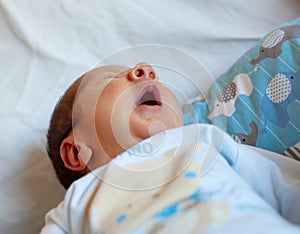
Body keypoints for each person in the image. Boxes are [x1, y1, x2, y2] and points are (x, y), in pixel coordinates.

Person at [42, 62, 300, 233]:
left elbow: (285, 189)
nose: (145, 71)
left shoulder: (203, 140)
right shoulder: (79, 201)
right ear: (77, 152)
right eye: (111, 78)